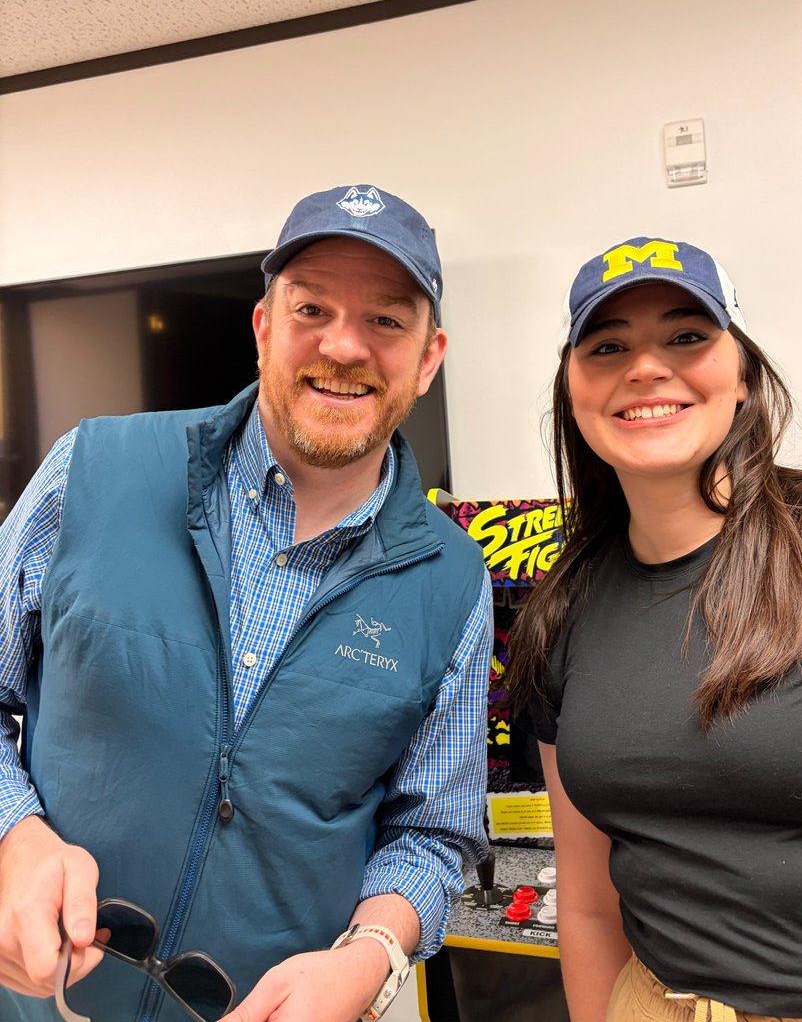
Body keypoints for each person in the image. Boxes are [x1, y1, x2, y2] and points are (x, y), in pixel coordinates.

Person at [0, 184, 493, 1022]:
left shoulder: (453, 579)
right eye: (312, 309)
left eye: (386, 320)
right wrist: (13, 837)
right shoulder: (91, 469)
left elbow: (435, 834)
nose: (344, 345)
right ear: (264, 326)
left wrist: (370, 957)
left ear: (429, 355)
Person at [504, 236, 802, 1022]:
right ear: (574, 393)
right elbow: (586, 901)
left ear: (744, 376)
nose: (646, 367)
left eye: (687, 336)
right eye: (607, 345)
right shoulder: (562, 609)